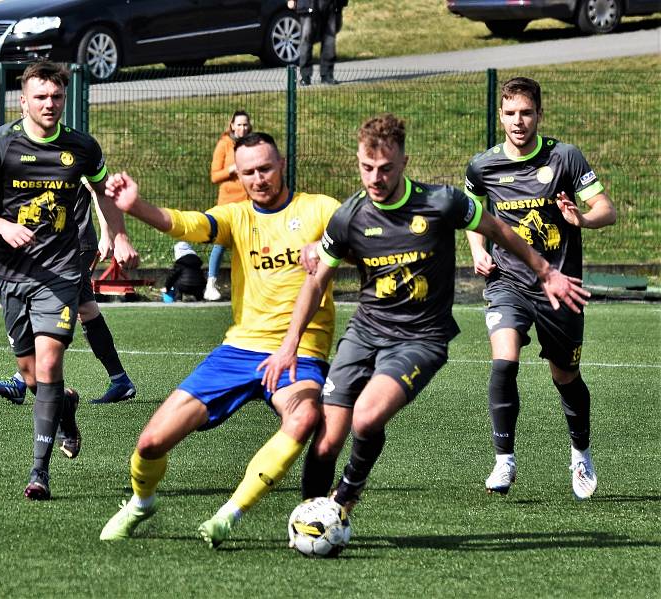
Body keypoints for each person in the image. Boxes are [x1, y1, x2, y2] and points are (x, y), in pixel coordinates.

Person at [260, 113, 588, 520]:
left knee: (366, 416)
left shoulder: (441, 202)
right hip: (364, 333)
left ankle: (345, 495)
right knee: (326, 439)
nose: (375, 178)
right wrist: (288, 345)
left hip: (421, 339)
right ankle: (309, 519)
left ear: (404, 162)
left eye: (385, 169)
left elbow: (501, 230)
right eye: (366, 168)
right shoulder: (349, 216)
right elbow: (315, 280)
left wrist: (546, 272)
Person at [98, 132, 340, 548]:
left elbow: (361, 232)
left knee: (303, 419)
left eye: (265, 168)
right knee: (151, 442)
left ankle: (230, 513)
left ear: (282, 164)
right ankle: (141, 502)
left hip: (301, 351)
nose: (258, 179)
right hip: (238, 350)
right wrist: (135, 207)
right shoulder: (237, 216)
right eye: (248, 172)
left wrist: (327, 243)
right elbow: (188, 224)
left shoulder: (318, 209)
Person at [0, 61, 138, 500]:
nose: (49, 104)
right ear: (24, 101)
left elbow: (105, 193)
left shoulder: (82, 148)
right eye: (40, 97)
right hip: (12, 271)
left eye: (56, 97)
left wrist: (120, 232)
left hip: (62, 271)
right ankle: (65, 407)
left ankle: (39, 472)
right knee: (32, 376)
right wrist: (1, 226)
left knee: (51, 363)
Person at [464, 77, 616, 500]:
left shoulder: (564, 157)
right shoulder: (482, 166)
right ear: (500, 115)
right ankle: (503, 460)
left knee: (565, 376)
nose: (518, 121)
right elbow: (474, 215)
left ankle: (580, 451)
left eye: (526, 113)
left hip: (559, 287)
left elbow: (607, 209)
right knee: (504, 361)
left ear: (539, 115)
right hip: (507, 282)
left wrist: (582, 219)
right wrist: (478, 250)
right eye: (510, 113)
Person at [0, 181, 139, 406]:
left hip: (73, 245)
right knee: (86, 309)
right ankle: (120, 380)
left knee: (46, 305)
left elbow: (99, 191)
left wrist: (108, 234)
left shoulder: (75, 149)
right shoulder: (42, 155)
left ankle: (21, 382)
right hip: (58, 246)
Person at [204, 110, 252, 301]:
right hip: (228, 205)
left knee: (248, 245)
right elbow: (215, 175)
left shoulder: (252, 144)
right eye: (239, 124)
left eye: (245, 124)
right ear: (232, 125)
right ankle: (211, 284)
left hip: (248, 204)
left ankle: (249, 286)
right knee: (221, 244)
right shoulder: (224, 144)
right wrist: (232, 169)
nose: (242, 128)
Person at [287, 0, 348, 86]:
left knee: (329, 41)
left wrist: (341, 4)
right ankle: (305, 76)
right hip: (308, 5)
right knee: (306, 39)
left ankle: (327, 75)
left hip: (331, 5)